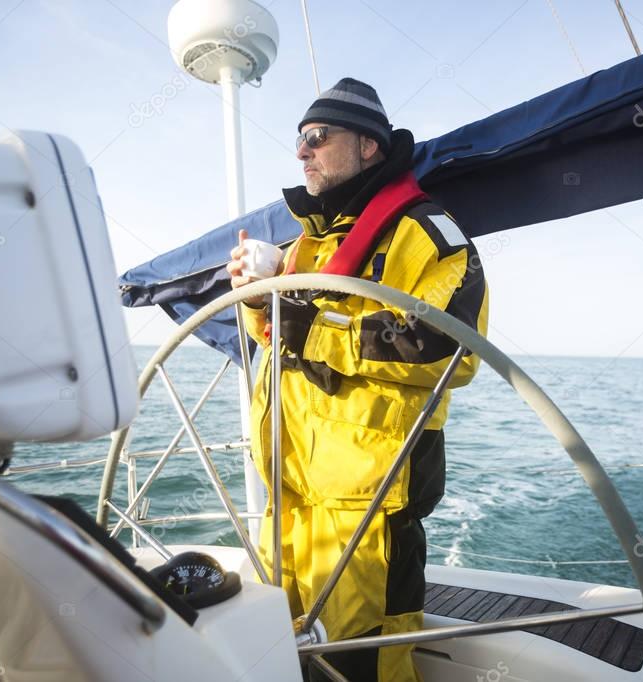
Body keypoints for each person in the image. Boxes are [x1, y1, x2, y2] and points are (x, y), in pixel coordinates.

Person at [227, 77, 489, 682]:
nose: (301, 151)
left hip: (368, 508)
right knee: (282, 657)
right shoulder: (304, 247)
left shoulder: (429, 235)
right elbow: (276, 339)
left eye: (318, 137)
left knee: (362, 669)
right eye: (299, 140)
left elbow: (449, 344)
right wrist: (256, 296)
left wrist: (310, 323)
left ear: (369, 146)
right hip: (289, 498)